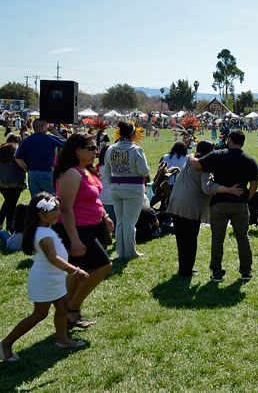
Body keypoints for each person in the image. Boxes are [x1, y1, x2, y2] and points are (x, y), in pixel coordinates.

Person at [1, 193, 88, 362]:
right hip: (44, 279)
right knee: (39, 314)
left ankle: (63, 340)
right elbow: (52, 258)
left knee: (62, 307)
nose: (58, 213)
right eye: (54, 209)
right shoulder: (43, 234)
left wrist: (70, 253)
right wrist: (75, 271)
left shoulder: (45, 231)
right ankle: (5, 343)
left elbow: (53, 254)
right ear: (41, 213)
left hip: (53, 277)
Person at [52, 133, 114, 330]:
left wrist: (104, 215)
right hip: (77, 229)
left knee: (78, 272)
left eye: (95, 148)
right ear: (77, 150)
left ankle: (65, 314)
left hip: (92, 227)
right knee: (104, 265)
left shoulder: (87, 170)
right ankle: (72, 309)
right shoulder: (71, 174)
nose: (96, 151)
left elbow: (94, 198)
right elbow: (66, 208)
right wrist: (75, 240)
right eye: (91, 148)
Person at [187, 129, 258, 282]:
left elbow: (196, 165)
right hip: (240, 204)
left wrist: (190, 155)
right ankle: (246, 271)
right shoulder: (250, 160)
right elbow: (254, 184)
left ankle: (216, 272)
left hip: (219, 204)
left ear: (230, 140)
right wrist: (247, 197)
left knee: (218, 238)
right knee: (243, 238)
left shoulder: (218, 155)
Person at [167, 140, 242, 278]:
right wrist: (228, 189)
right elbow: (207, 187)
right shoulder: (204, 164)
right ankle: (186, 270)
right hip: (190, 206)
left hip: (176, 203)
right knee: (190, 240)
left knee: (181, 239)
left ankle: (183, 269)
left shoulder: (191, 160)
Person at [106, 121, 150, 260]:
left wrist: (113, 183)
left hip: (116, 187)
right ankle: (130, 252)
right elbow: (144, 171)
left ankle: (121, 252)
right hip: (133, 188)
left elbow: (107, 171)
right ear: (132, 134)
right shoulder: (136, 150)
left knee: (120, 221)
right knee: (130, 222)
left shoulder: (110, 149)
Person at [13, 118, 64, 197]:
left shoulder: (26, 140)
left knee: (35, 201)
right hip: (47, 173)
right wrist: (57, 133)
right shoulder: (50, 138)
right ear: (43, 127)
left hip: (32, 173)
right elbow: (68, 143)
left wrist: (25, 168)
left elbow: (17, 158)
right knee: (52, 200)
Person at [0, 134, 26, 231]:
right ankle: (9, 226)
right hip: (15, 181)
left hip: (2, 182)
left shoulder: (2, 148)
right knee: (11, 204)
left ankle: (2, 223)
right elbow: (20, 162)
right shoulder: (18, 149)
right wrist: (25, 168)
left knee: (8, 202)